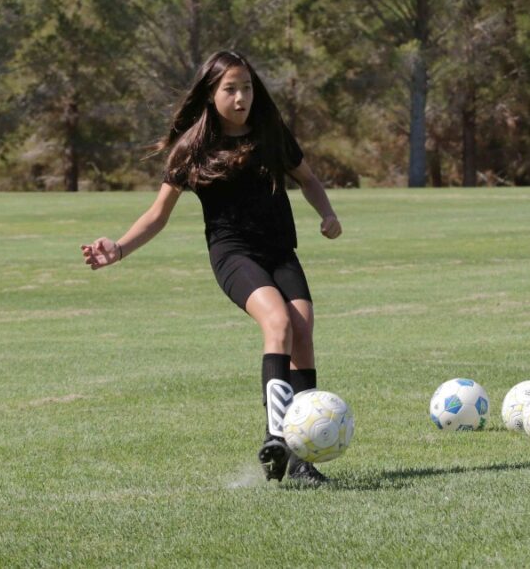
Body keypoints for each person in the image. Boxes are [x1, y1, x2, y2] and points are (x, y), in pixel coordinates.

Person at [81, 50, 342, 483]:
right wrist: (120, 248)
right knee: (277, 322)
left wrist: (327, 214)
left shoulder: (271, 132)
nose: (242, 97)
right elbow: (157, 214)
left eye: (248, 87)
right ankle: (277, 436)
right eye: (231, 89)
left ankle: (300, 457)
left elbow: (308, 178)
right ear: (211, 94)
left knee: (304, 330)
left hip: (280, 251)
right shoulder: (193, 149)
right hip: (234, 255)